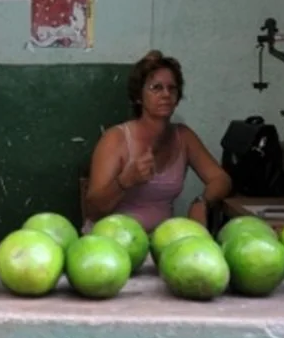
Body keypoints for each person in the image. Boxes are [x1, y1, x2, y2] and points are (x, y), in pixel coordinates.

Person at [82, 50, 231, 234]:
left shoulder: (184, 136)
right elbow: (93, 210)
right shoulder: (116, 139)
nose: (166, 94)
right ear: (138, 97)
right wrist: (124, 181)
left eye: (172, 88)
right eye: (156, 88)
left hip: (161, 241)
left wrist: (202, 201)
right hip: (114, 240)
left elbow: (221, 179)